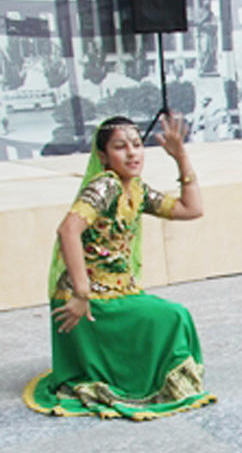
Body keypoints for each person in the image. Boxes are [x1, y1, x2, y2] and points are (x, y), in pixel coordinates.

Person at [25, 114, 213, 420]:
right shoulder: (106, 186)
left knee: (174, 317)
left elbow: (191, 209)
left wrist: (181, 157)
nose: (132, 153)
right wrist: (81, 293)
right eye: (120, 147)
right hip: (87, 302)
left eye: (137, 145)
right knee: (173, 316)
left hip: (118, 293)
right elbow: (67, 230)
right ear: (103, 156)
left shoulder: (135, 190)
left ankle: (143, 378)